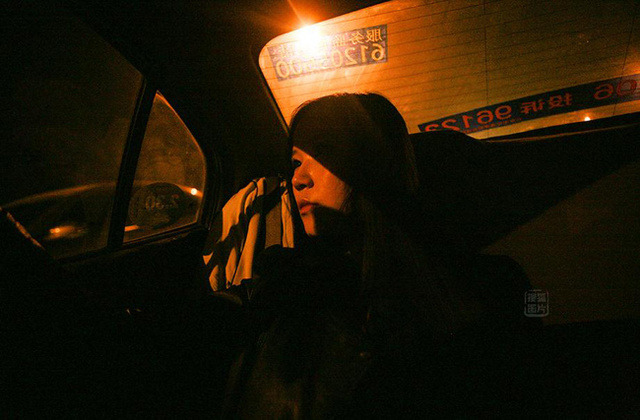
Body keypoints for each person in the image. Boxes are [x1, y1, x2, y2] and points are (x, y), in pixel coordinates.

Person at [220, 93, 537, 419]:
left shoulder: (493, 287)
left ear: (375, 162)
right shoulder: (287, 287)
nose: (298, 179)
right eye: (296, 163)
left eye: (323, 152)